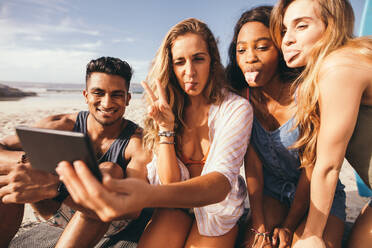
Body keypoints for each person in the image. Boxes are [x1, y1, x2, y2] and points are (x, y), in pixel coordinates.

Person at [56, 18, 253, 248]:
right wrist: (166, 129)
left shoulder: (236, 109)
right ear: (171, 66)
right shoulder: (165, 106)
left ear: (212, 61)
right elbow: (170, 181)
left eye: (198, 59)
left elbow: (220, 185)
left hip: (218, 211)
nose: (189, 71)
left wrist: (147, 194)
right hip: (174, 206)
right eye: (180, 62)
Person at [225, 6, 346, 248]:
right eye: (241, 50)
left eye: (262, 47)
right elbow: (254, 167)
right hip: (272, 192)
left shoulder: (309, 94)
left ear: (281, 49)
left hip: (318, 194)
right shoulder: (242, 100)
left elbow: (311, 170)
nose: (249, 57)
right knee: (255, 244)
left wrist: (289, 225)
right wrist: (258, 221)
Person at [0, 56, 151, 247]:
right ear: (86, 95)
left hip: (109, 218)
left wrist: (57, 185)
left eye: (116, 94)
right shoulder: (60, 125)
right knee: (14, 170)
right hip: (53, 207)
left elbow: (133, 208)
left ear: (128, 99)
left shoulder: (137, 142)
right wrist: (27, 163)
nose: (107, 102)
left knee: (109, 170)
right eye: (98, 92)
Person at [270, 0, 372, 247]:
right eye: (284, 30)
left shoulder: (340, 66)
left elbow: (328, 166)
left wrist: (312, 234)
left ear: (331, 26)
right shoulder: (341, 64)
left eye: (301, 26)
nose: (287, 40)